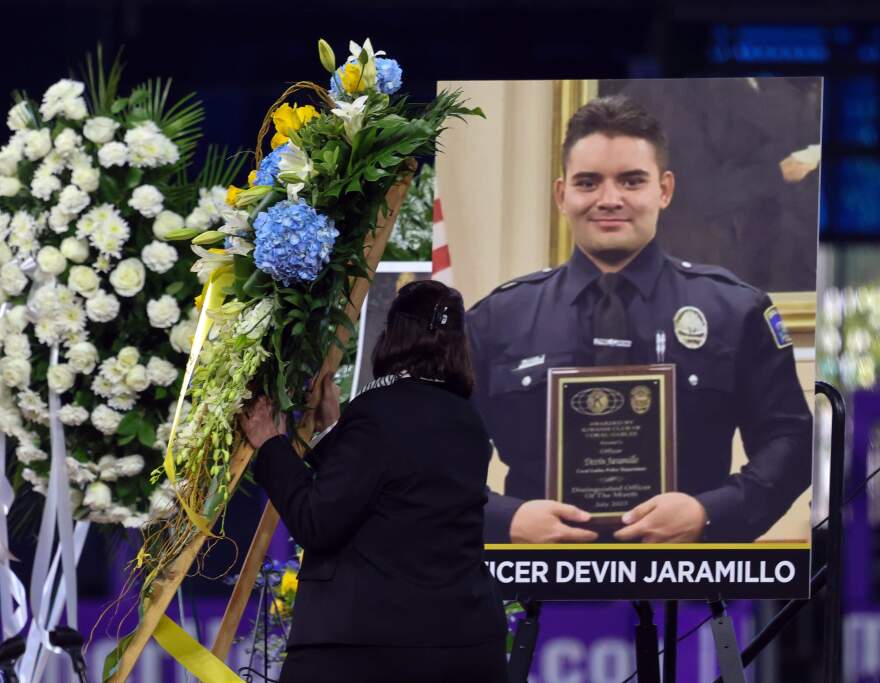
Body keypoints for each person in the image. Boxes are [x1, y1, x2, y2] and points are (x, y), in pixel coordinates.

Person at [466, 95, 813, 544]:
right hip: (535, 596)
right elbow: (434, 462)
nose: (609, 200)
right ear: (562, 194)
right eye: (588, 183)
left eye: (631, 181)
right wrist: (506, 520)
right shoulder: (498, 320)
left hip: (688, 592)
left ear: (664, 190)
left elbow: (792, 441)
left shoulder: (735, 311)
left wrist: (710, 512)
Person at [239, 280, 507, 683]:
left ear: (392, 334)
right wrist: (334, 430)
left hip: (367, 648)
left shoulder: (378, 411)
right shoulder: (467, 420)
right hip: (465, 646)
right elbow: (394, 480)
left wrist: (272, 443)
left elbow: (317, 521)